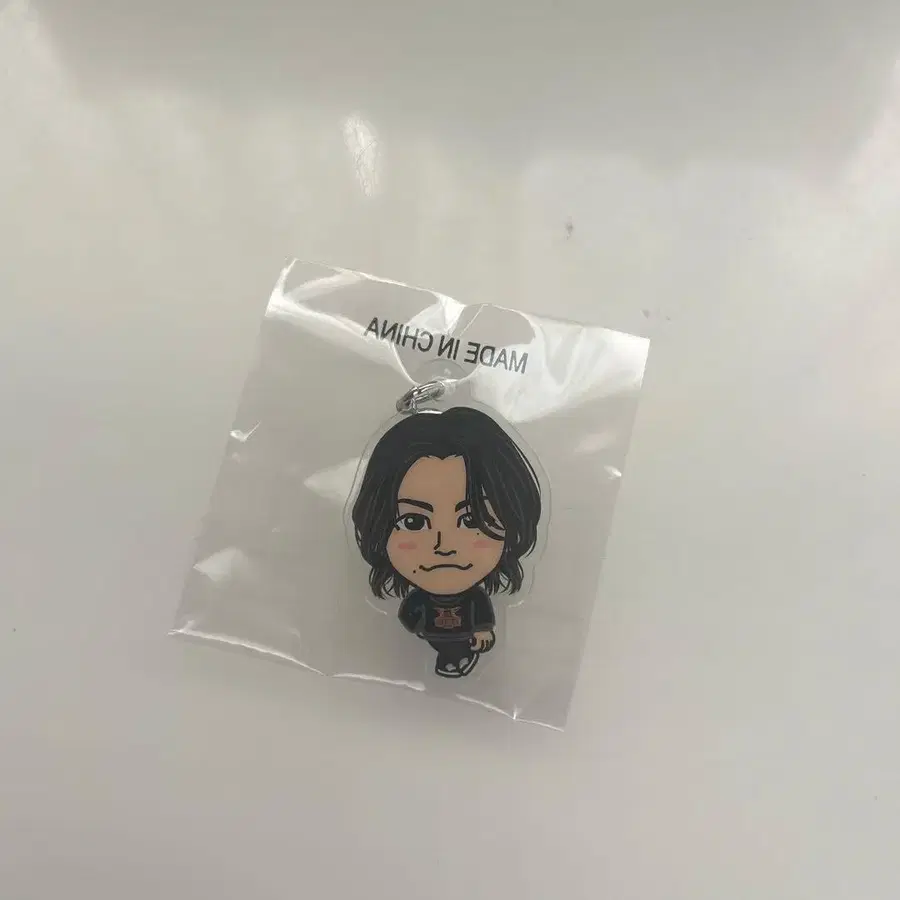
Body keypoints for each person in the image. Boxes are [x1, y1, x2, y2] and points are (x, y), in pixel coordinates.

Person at [352, 406, 542, 678]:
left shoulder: (475, 599)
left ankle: (457, 658)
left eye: (472, 520)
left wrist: (483, 630)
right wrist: (414, 626)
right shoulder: (419, 600)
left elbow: (482, 615)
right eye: (413, 522)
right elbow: (408, 615)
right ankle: (449, 658)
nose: (444, 546)